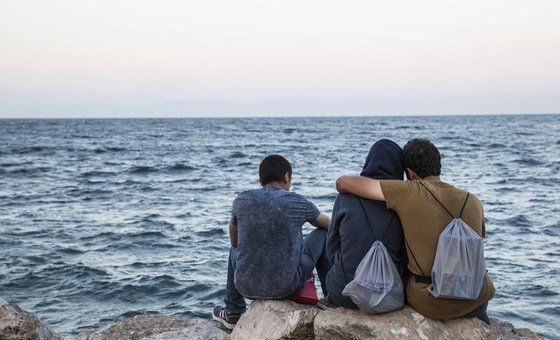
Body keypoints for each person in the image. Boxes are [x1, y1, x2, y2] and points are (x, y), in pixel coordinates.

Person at [335, 138, 495, 323]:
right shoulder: (473, 200)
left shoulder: (409, 191)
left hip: (431, 302)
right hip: (477, 296)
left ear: (410, 173)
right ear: (438, 165)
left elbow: (343, 183)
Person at [212, 154, 331, 329]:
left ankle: (233, 312)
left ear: (260, 180)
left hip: (246, 287)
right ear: (287, 177)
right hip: (287, 287)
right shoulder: (298, 201)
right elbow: (329, 225)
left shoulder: (241, 199)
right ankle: (331, 298)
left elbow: (234, 240)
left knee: (234, 250)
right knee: (323, 234)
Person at [325, 139, 407, 308]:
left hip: (344, 294)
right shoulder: (403, 203)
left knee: (322, 239)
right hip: (389, 296)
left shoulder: (344, 198)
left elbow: (331, 249)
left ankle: (329, 297)